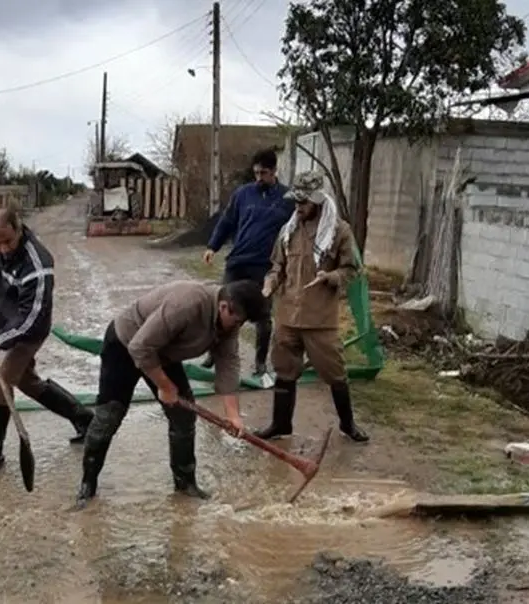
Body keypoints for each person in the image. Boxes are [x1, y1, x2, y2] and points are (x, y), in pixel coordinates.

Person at [75, 279, 270, 509]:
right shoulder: (187, 304)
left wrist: (233, 414)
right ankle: (87, 486)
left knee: (183, 416)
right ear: (224, 306)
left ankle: (185, 484)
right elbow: (139, 347)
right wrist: (165, 386)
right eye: (237, 321)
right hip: (126, 344)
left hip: (163, 354)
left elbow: (228, 363)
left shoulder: (229, 323)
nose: (238, 327)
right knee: (109, 416)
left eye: (242, 323)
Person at [0, 208, 95, 476]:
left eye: (8, 242)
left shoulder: (38, 265)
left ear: (19, 230)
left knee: (2, 383)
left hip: (30, 330)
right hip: (8, 321)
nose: (3, 249)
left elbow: (32, 317)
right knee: (27, 381)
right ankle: (84, 418)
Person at [259, 172, 369, 443]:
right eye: (295, 202)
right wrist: (270, 283)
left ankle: (348, 424)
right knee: (284, 370)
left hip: (320, 319)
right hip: (288, 315)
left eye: (304, 202)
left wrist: (330, 277)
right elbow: (277, 266)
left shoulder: (338, 231)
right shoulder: (289, 230)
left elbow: (352, 270)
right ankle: (280, 424)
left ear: (318, 201)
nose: (298, 207)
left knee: (335, 372)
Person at [200, 148, 294, 375]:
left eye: (263, 173)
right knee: (223, 309)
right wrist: (213, 246)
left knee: (263, 316)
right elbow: (227, 221)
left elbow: (296, 231)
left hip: (265, 267)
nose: (258, 178)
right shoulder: (243, 194)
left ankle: (260, 363)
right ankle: (213, 355)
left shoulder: (287, 199)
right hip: (237, 263)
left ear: (274, 171)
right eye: (256, 173)